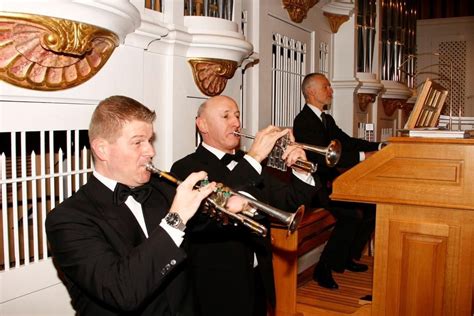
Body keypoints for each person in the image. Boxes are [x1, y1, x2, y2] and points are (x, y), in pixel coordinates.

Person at [46, 95, 219, 316]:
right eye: (138, 142)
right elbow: (122, 292)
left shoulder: (162, 188)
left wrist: (229, 205)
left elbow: (203, 226)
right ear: (102, 150)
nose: (151, 151)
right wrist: (175, 220)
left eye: (149, 140)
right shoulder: (67, 219)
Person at [170, 95, 319, 316]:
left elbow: (291, 200)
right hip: (218, 283)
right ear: (202, 125)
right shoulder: (186, 167)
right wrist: (254, 157)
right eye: (226, 116)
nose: (236, 123)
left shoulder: (248, 161)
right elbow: (217, 206)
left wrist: (300, 169)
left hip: (258, 274)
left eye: (237, 115)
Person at [293, 73, 384, 290]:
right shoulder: (303, 121)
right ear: (312, 92)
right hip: (313, 185)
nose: (331, 91)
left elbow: (347, 142)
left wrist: (379, 147)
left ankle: (346, 258)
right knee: (350, 216)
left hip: (330, 181)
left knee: (371, 210)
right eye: (326, 87)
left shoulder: (326, 119)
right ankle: (322, 269)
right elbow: (319, 157)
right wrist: (364, 157)